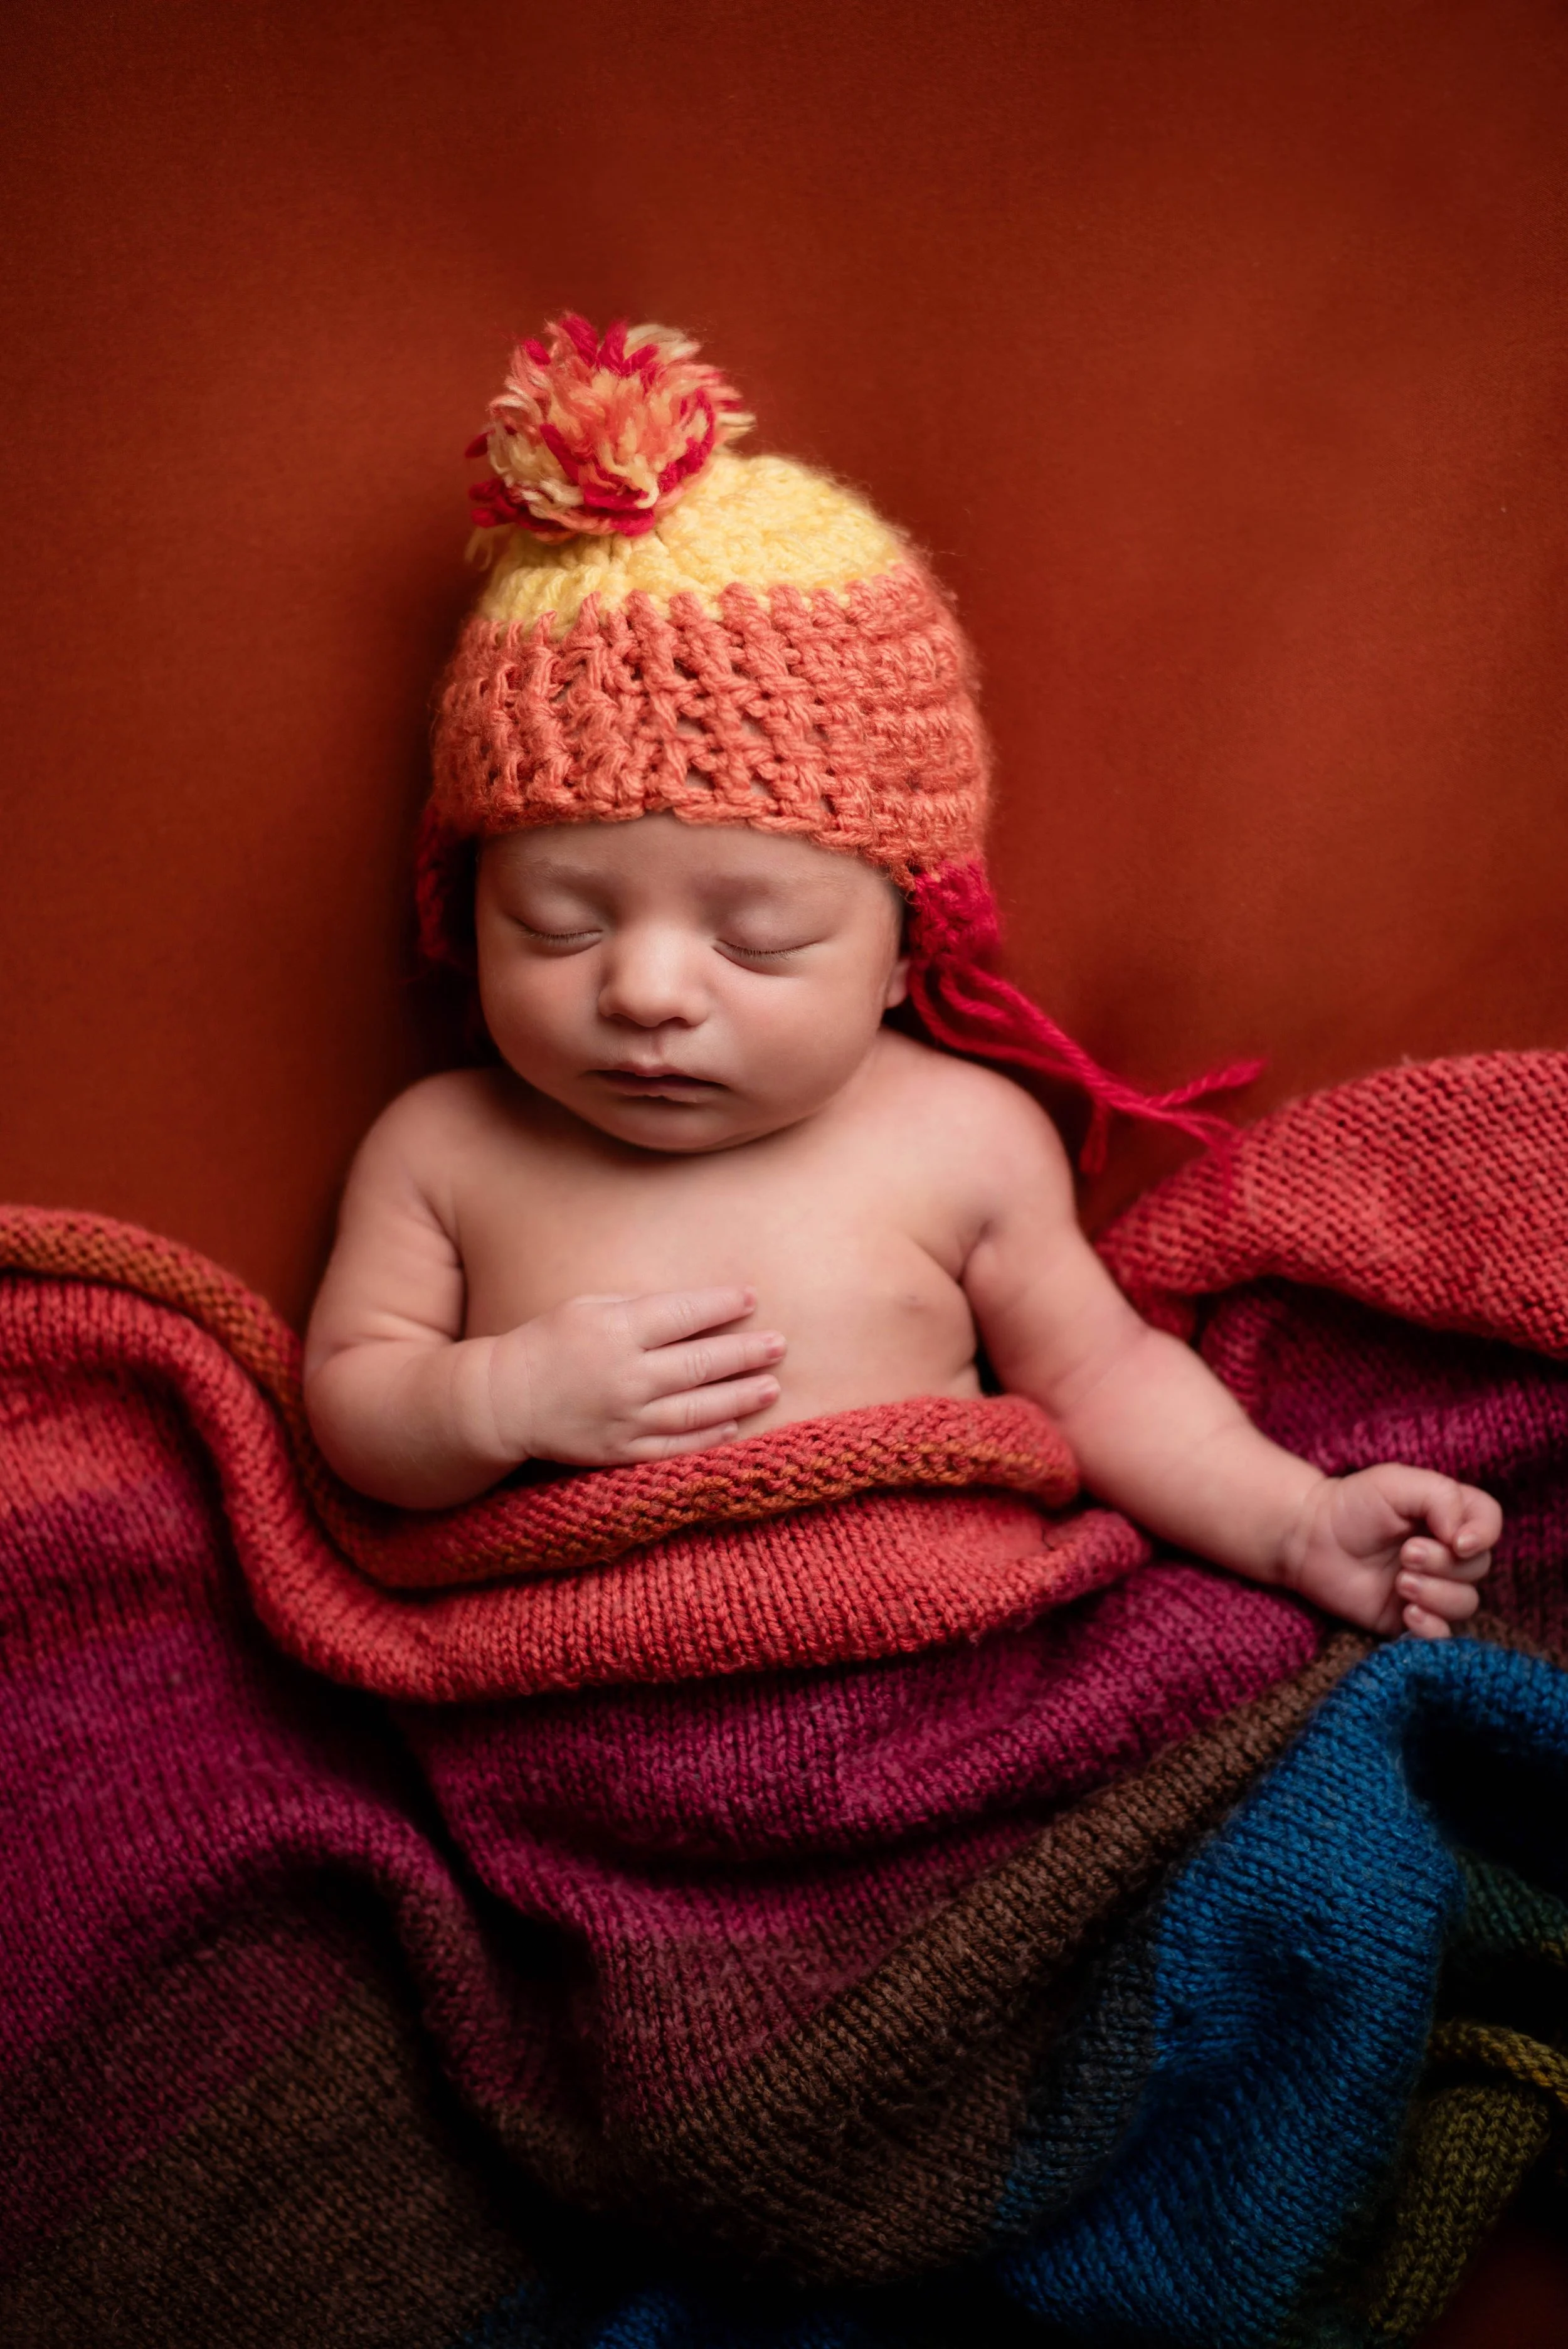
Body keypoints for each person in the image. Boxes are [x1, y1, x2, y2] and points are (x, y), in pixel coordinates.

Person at [304, 315, 1497, 1641]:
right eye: (558, 927)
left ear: (906, 950)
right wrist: (495, 1402)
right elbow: (354, 1406)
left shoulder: (961, 1139)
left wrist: (1294, 1522)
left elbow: (1100, 1380)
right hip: (576, 1679)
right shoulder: (445, 1150)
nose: (644, 991)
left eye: (756, 941)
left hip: (933, 1656)